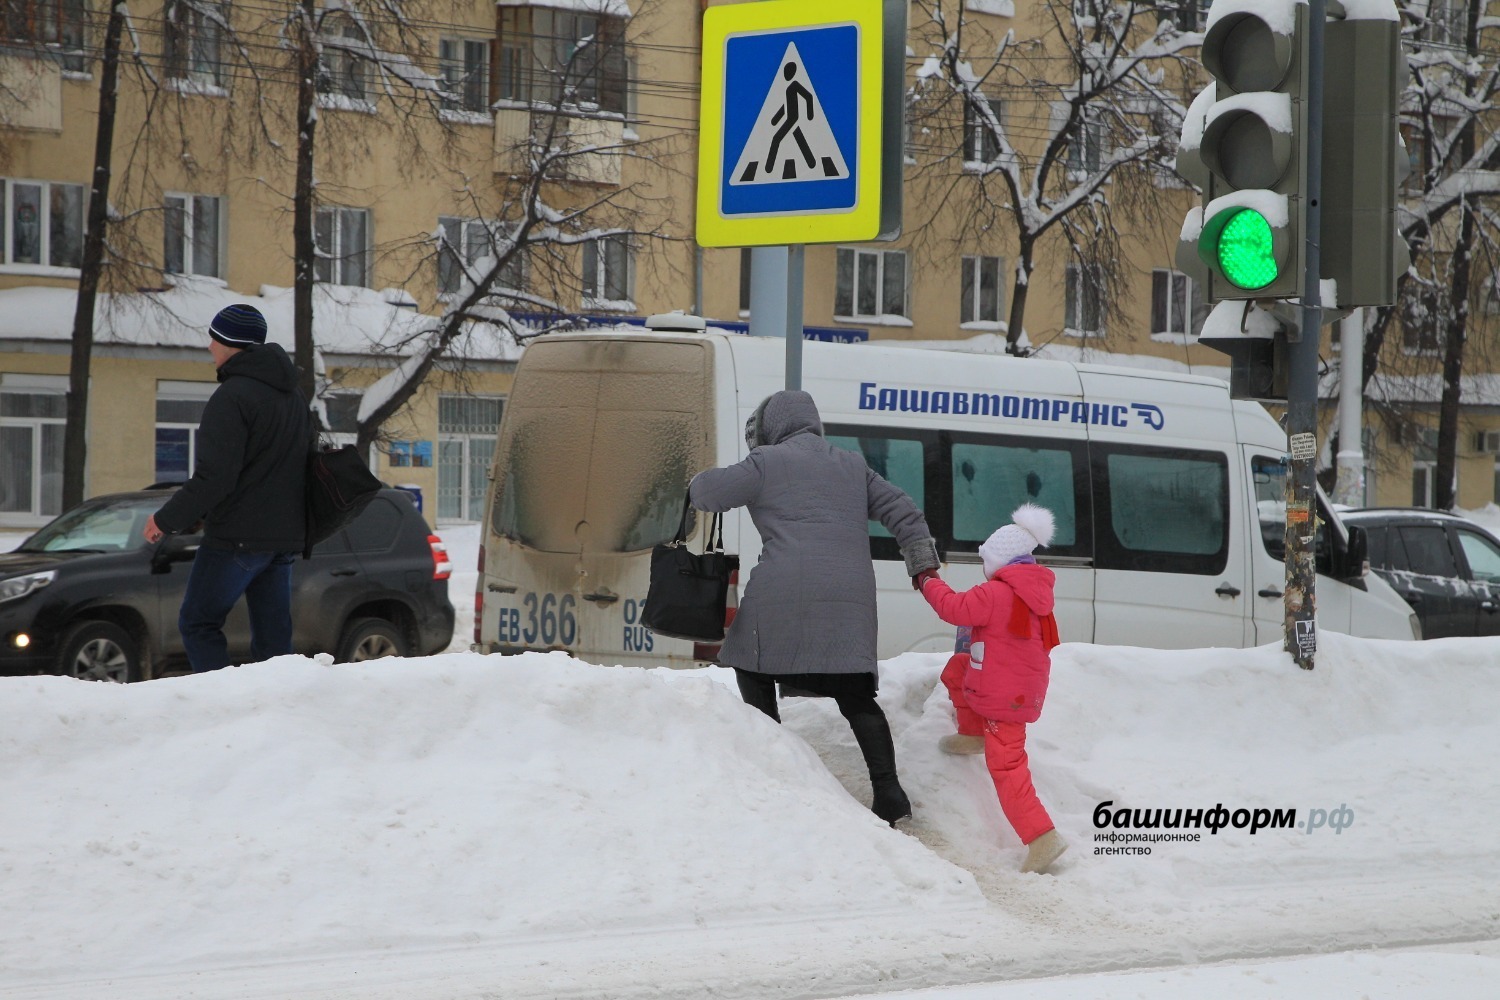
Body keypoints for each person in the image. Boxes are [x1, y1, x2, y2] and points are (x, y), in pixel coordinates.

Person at [689, 390, 940, 826]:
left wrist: (694, 481)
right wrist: (922, 567)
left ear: (771, 427)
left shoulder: (766, 462)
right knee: (856, 694)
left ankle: (773, 763)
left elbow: (707, 494)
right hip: (851, 594)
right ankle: (889, 790)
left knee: (750, 663)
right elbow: (905, 513)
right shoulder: (852, 465)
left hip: (783, 589)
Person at [144, 304, 310, 673]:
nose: (209, 347)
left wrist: (166, 519)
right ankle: (275, 710)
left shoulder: (233, 397)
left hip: (237, 536)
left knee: (198, 623)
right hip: (281, 539)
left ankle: (219, 706)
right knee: (273, 641)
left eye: (214, 338)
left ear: (231, 343)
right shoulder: (293, 398)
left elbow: (215, 477)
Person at [916, 503, 1068, 874]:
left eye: (986, 558)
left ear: (1000, 561)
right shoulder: (1031, 593)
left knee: (1007, 766)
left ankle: (1042, 837)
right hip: (1010, 684)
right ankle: (971, 733)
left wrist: (927, 579)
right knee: (957, 670)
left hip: (1006, 698)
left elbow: (952, 607)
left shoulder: (997, 593)